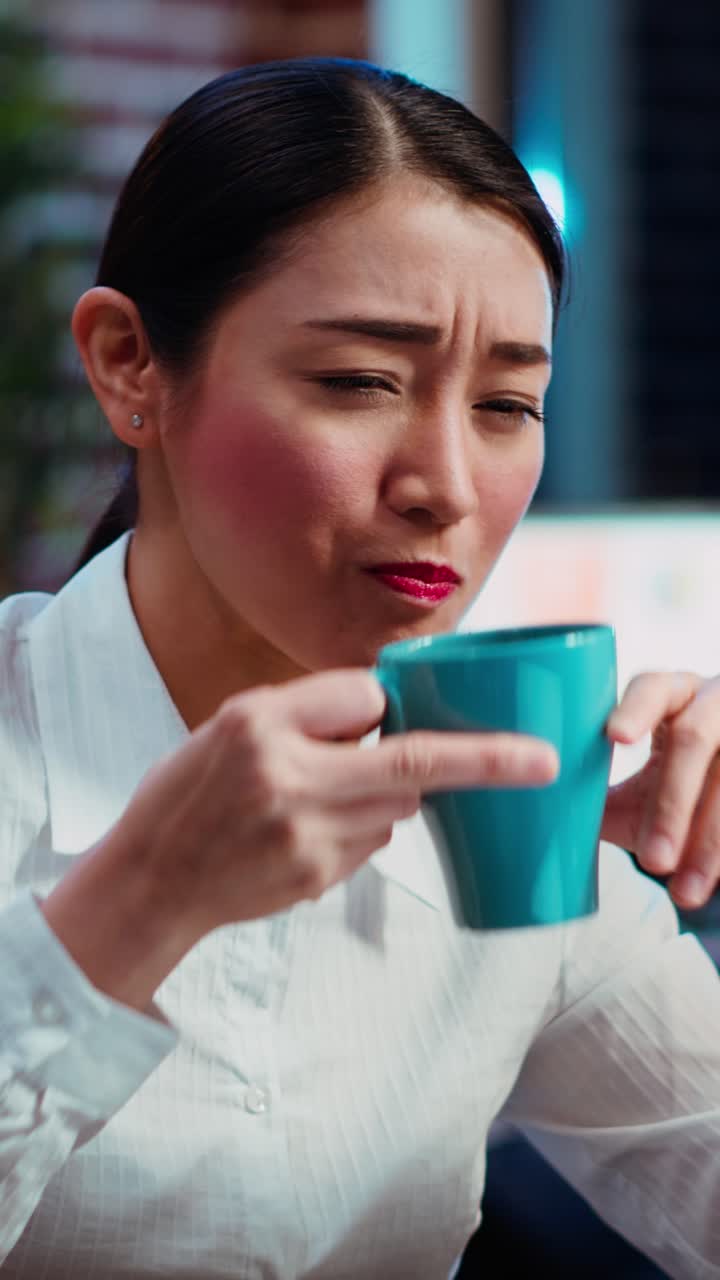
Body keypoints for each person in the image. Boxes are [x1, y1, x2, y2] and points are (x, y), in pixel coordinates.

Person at [1, 57, 719, 1280]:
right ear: (129, 363)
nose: (446, 485)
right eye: (358, 382)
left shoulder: (511, 814)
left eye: (508, 404)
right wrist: (136, 907)